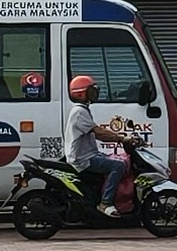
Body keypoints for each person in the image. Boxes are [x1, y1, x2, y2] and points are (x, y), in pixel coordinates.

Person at [60, 70, 141, 219]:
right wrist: (122, 139)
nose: (96, 93)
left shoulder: (83, 110)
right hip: (83, 159)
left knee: (117, 159)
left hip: (89, 154)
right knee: (118, 166)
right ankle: (105, 202)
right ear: (81, 93)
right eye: (92, 90)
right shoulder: (79, 112)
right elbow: (99, 133)